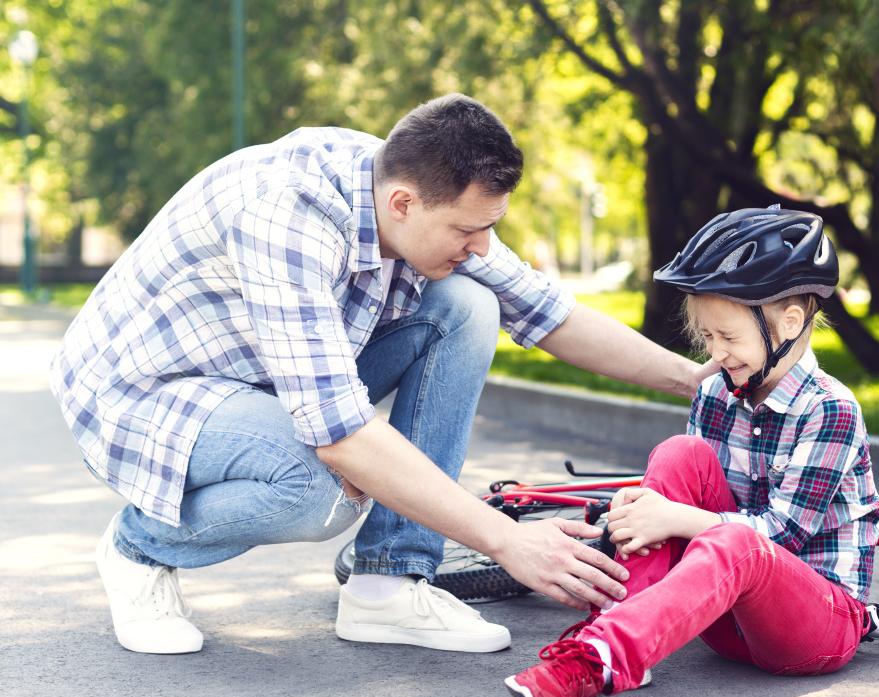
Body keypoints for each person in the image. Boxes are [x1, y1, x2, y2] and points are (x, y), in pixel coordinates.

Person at [49, 94, 712, 655]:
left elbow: (546, 311)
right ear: (402, 205)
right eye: (468, 230)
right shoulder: (289, 216)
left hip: (258, 373)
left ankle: (387, 585)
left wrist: (701, 382)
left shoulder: (417, 188)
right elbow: (339, 435)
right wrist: (510, 541)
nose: (482, 246)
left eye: (490, 228)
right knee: (320, 486)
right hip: (147, 389)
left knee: (469, 304)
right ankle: (138, 547)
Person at [504, 207, 879, 697]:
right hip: (725, 621)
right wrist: (647, 513)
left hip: (815, 623)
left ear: (790, 324)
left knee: (739, 543)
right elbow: (685, 499)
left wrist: (674, 518)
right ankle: (617, 622)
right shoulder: (715, 390)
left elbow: (784, 535)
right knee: (681, 454)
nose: (714, 353)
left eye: (727, 337)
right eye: (706, 337)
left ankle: (593, 663)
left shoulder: (830, 410)